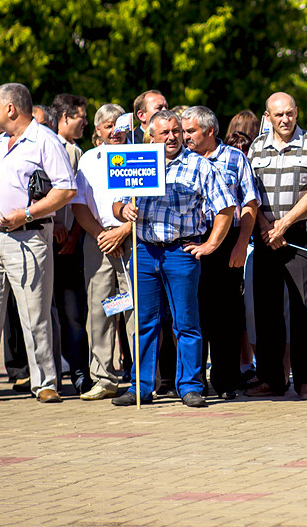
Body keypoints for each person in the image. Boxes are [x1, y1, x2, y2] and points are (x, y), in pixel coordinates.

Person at [0, 83, 77, 405]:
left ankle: (45, 382)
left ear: (11, 109)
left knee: (35, 315)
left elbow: (66, 190)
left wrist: (27, 213)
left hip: (29, 237)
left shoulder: (45, 141)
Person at [111, 110, 236, 407]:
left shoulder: (199, 166)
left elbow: (226, 208)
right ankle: (141, 387)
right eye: (164, 132)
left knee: (186, 323)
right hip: (144, 251)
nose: (171, 137)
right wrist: (123, 211)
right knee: (144, 323)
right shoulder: (136, 160)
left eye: (176, 131)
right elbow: (116, 203)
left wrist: (210, 245)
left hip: (181, 252)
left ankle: (190, 387)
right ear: (151, 136)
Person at [246, 92, 307, 400]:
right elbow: (250, 192)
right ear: (267, 117)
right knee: (266, 308)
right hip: (264, 233)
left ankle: (306, 379)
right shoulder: (256, 147)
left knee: (304, 308)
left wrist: (284, 224)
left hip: (299, 233)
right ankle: (271, 378)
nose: (285, 119)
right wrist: (265, 227)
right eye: (279, 114)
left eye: (290, 113)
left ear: (297, 112)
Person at [182, 106, 259, 400]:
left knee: (226, 314)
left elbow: (249, 204)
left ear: (210, 131)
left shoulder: (235, 158)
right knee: (194, 312)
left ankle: (226, 380)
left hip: (228, 241)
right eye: (184, 131)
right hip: (190, 242)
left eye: (191, 131)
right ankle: (195, 382)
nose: (185, 137)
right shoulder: (182, 159)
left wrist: (241, 244)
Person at [70, 105, 136, 400]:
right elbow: (79, 204)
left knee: (135, 307)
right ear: (97, 130)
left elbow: (150, 202)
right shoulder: (89, 159)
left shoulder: (140, 155)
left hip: (134, 239)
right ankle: (104, 377)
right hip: (99, 241)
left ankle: (144, 377)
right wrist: (102, 235)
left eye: (118, 125)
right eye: (108, 126)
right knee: (102, 309)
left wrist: (123, 232)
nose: (114, 131)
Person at [50, 93, 90, 395]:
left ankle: (79, 371)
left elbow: (81, 200)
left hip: (68, 245)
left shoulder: (77, 152)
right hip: (44, 239)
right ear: (65, 118)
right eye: (81, 117)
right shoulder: (47, 147)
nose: (85, 123)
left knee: (73, 313)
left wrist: (75, 235)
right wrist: (52, 223)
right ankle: (51, 375)